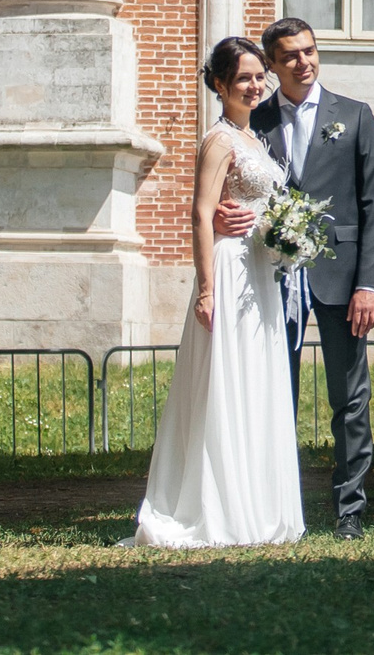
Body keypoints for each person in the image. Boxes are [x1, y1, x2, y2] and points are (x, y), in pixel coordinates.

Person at [215, 14, 374, 541]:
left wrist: (369, 285)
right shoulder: (252, 119)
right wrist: (223, 215)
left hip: (341, 277)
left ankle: (350, 511)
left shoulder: (354, 116)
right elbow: (224, 185)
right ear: (270, 65)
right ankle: (275, 507)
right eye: (289, 55)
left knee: (350, 397)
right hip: (269, 278)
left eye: (309, 51)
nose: (303, 62)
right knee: (272, 392)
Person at [129, 36, 305, 547]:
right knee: (227, 382)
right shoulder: (219, 140)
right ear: (220, 85)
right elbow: (201, 214)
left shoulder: (256, 141)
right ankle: (220, 507)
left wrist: (285, 233)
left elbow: (261, 207)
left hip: (260, 272)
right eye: (243, 78)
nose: (254, 86)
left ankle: (258, 505)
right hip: (229, 272)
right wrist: (206, 290)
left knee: (257, 381)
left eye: (258, 77)